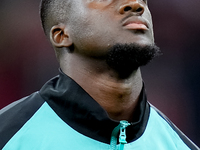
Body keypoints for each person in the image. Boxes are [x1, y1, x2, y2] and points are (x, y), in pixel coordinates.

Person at [0, 0, 199, 149]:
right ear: (62, 35)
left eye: (142, 0)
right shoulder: (7, 136)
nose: (135, 5)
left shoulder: (180, 146)